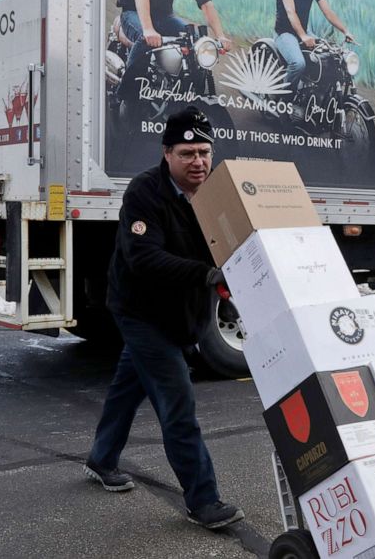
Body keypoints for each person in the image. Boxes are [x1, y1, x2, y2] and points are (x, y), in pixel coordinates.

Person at [84, 106, 244, 530]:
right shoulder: (144, 193)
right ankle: (203, 500)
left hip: (183, 312)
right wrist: (207, 274)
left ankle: (101, 458)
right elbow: (144, 258)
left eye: (205, 152)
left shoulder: (214, 192)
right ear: (167, 153)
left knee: (127, 385)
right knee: (178, 402)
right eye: (188, 152)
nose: (198, 162)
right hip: (141, 311)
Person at [274, 0, 354, 90]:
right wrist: (303, 36)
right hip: (285, 32)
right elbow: (290, 11)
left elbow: (327, 12)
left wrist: (345, 31)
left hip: (305, 30)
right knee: (298, 64)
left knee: (328, 58)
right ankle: (283, 101)